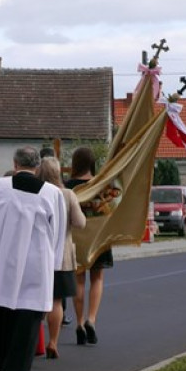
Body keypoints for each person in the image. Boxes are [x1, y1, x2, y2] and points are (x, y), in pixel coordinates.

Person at [0, 147, 66, 371]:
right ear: (37, 167)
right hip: (37, 261)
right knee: (28, 316)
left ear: (15, 164)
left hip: (5, 257)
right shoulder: (52, 193)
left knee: (3, 310)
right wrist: (54, 263)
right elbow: (57, 232)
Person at [37, 157, 86, 359]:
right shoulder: (67, 194)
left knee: (36, 301)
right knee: (56, 301)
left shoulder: (36, 192)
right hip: (62, 256)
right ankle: (53, 342)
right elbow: (80, 222)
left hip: (38, 254)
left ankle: (36, 342)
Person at [66, 146, 109, 345]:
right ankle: (91, 319)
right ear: (92, 163)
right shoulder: (101, 184)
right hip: (98, 237)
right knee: (97, 278)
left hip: (76, 238)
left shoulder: (68, 187)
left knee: (79, 280)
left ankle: (79, 322)